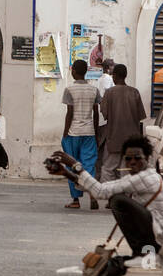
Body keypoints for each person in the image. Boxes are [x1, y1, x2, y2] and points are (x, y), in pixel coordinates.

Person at [48, 137, 163, 268]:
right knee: (118, 199)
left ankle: (144, 254)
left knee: (118, 201)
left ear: (148, 159)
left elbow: (100, 191)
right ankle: (155, 259)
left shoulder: (146, 178)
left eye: (137, 158)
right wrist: (66, 173)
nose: (132, 162)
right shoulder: (140, 177)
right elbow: (101, 187)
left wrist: (75, 165)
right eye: (128, 159)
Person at [61, 59, 101, 209]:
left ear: (74, 72)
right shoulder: (94, 90)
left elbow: (69, 113)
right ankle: (92, 194)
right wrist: (96, 133)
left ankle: (76, 200)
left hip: (73, 133)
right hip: (89, 132)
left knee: (72, 165)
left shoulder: (69, 89)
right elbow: (96, 113)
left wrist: (65, 133)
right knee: (89, 165)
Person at [99, 64, 146, 183]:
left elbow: (105, 114)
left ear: (114, 76)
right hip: (132, 141)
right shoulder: (135, 92)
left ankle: (112, 195)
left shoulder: (109, 93)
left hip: (114, 139)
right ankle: (126, 195)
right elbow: (140, 117)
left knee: (107, 170)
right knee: (127, 170)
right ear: (125, 76)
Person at [95, 58, 116, 172]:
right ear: (108, 68)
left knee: (101, 146)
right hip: (105, 119)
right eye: (112, 67)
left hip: (102, 118)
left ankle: (100, 170)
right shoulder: (107, 79)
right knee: (104, 146)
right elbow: (108, 97)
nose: (114, 69)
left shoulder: (101, 79)